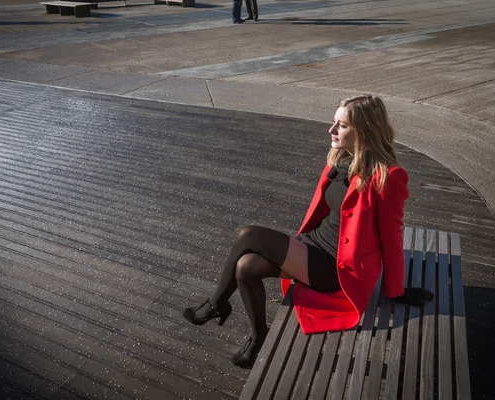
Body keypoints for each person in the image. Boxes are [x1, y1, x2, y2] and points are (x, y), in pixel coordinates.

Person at [182, 95, 433, 368]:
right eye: (334, 122)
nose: (332, 130)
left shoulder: (388, 176)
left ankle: (217, 304)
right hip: (313, 244)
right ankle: (259, 337)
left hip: (335, 267)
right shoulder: (340, 162)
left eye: (342, 125)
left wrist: (397, 291)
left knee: (249, 234)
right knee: (246, 266)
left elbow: (392, 236)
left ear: (365, 131)